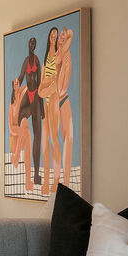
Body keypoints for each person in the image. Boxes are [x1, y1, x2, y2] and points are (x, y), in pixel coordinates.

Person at [39, 26, 76, 195]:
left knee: (61, 139)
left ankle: (62, 183)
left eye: (58, 36)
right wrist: (50, 85)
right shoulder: (47, 61)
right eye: (53, 35)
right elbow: (41, 90)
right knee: (47, 142)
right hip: (50, 101)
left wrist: (66, 37)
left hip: (60, 99)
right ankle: (48, 181)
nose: (56, 37)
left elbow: (70, 36)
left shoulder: (64, 53)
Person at [15, 36, 44, 187]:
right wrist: (14, 90)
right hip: (28, 96)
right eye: (31, 42)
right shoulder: (27, 61)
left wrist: (42, 107)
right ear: (28, 44)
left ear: (35, 45)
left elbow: (39, 82)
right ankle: (17, 156)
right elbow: (20, 77)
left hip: (36, 97)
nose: (32, 44)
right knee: (18, 121)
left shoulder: (37, 61)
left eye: (34, 43)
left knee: (37, 136)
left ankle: (37, 174)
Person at [8, 79, 34, 192]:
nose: (16, 83)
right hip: (14, 139)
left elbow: (31, 86)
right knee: (25, 130)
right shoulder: (11, 106)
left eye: (18, 81)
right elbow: (11, 128)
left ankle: (28, 181)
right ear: (13, 86)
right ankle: (17, 155)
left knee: (24, 122)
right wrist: (20, 132)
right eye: (14, 82)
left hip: (22, 135)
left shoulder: (23, 91)